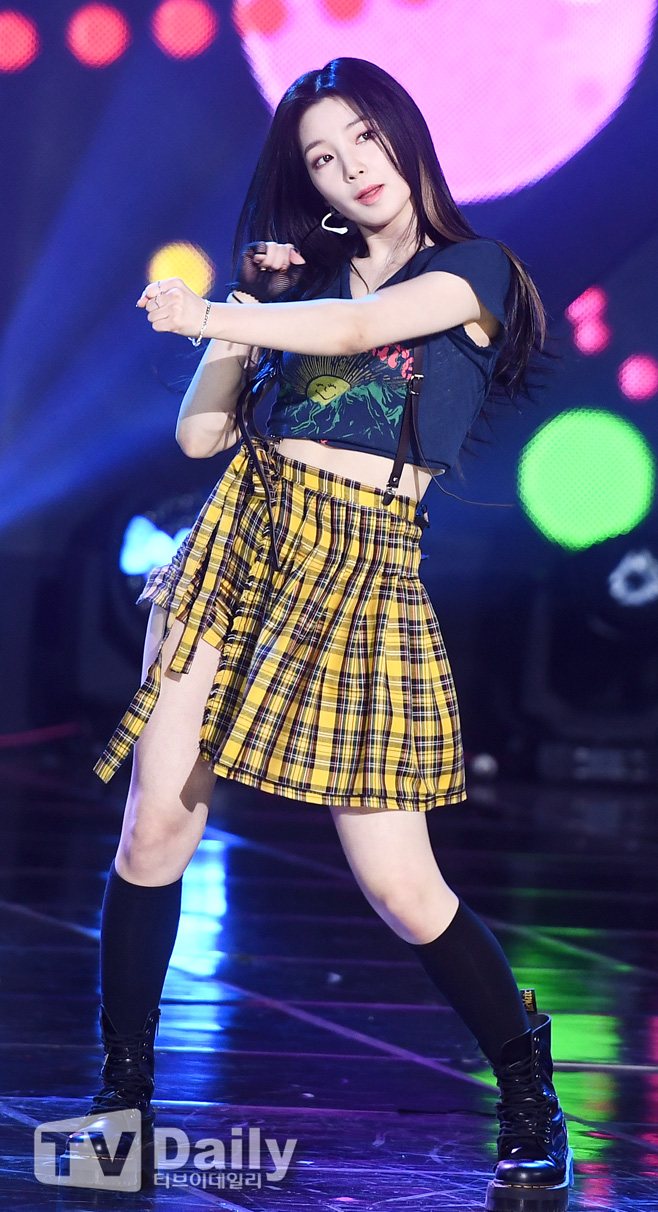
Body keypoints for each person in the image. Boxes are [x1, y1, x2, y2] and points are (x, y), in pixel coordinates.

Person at [78, 58, 572, 1210]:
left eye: (363, 140)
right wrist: (240, 323)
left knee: (398, 883)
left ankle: (528, 1090)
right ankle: (123, 1102)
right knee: (154, 828)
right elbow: (201, 439)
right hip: (241, 538)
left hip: (363, 566)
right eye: (321, 158)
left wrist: (212, 310)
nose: (351, 169)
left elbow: (361, 325)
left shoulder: (474, 272)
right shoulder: (304, 288)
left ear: (404, 136)